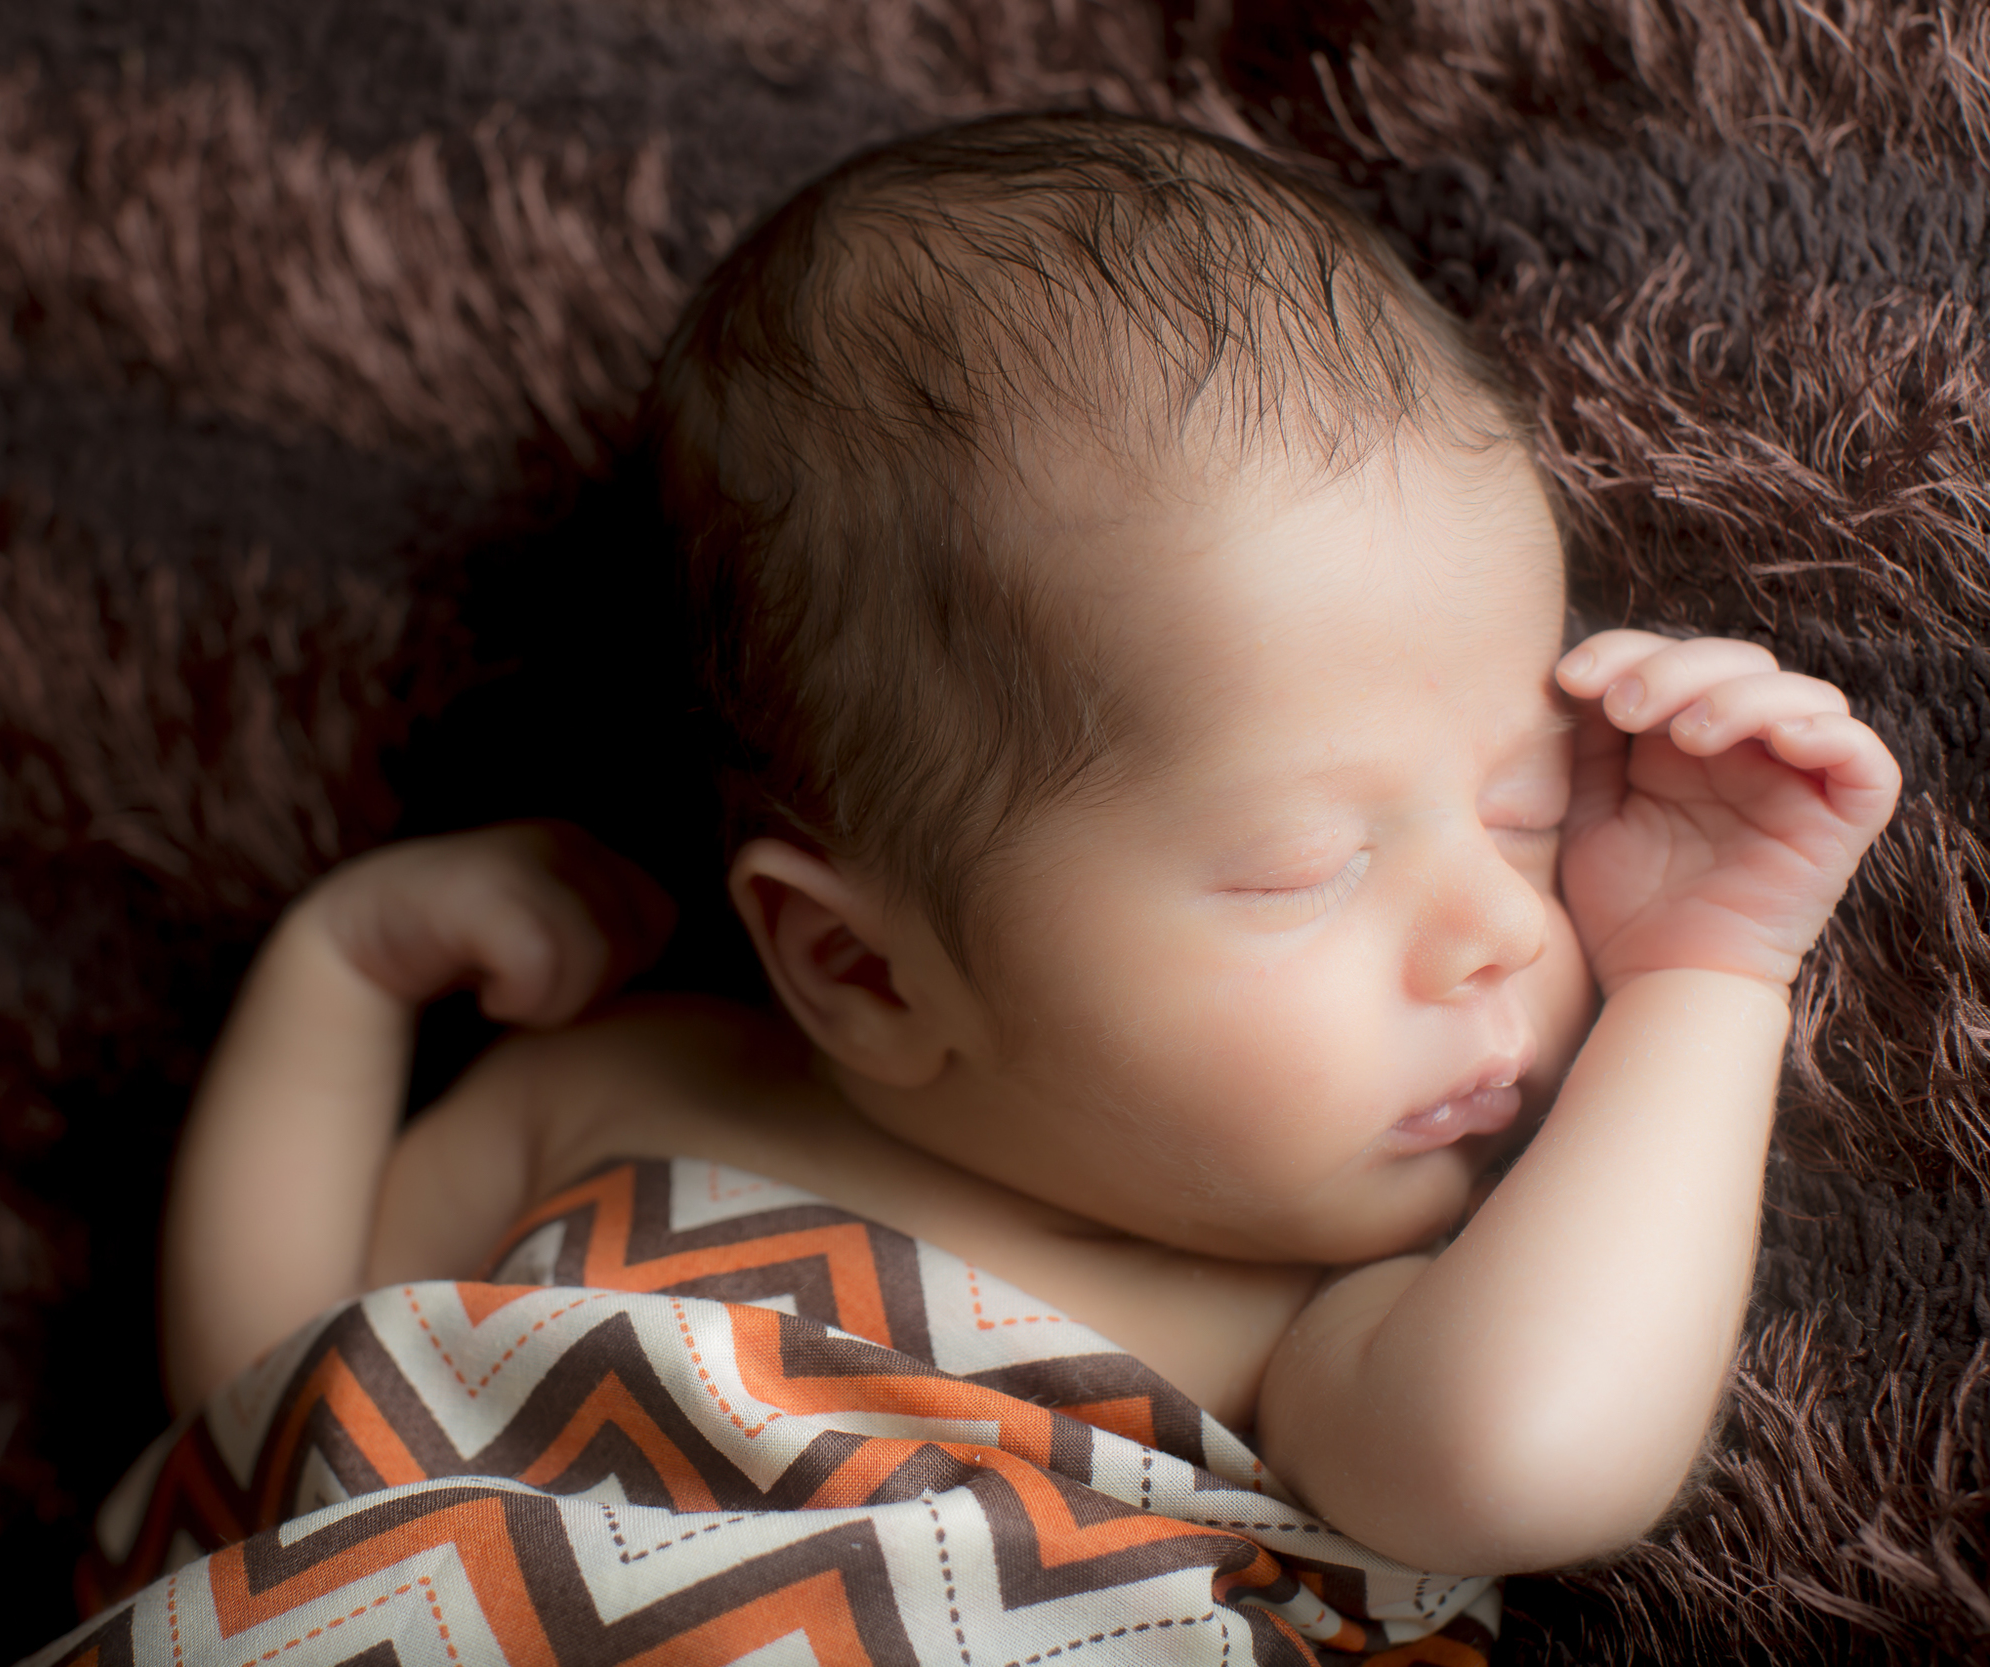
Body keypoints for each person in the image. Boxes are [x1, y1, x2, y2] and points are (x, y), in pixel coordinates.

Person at [155, 113, 1899, 1578]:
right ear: (856, 964)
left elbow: (1530, 1463)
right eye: (1304, 868)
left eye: (1531, 813)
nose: (1500, 930)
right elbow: (265, 1407)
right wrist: (338, 983)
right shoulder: (608, 1095)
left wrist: (1708, 970)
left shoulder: (1307, 1325)